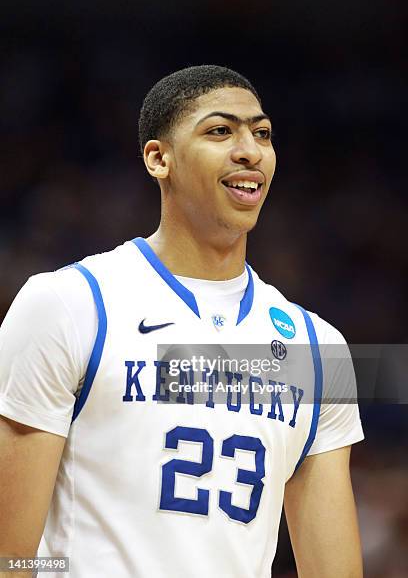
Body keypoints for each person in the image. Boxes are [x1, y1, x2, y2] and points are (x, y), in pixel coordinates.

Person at [0, 65, 364, 577]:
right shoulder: (69, 305)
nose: (250, 150)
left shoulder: (316, 347)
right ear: (158, 158)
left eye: (262, 133)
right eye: (220, 131)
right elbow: (7, 553)